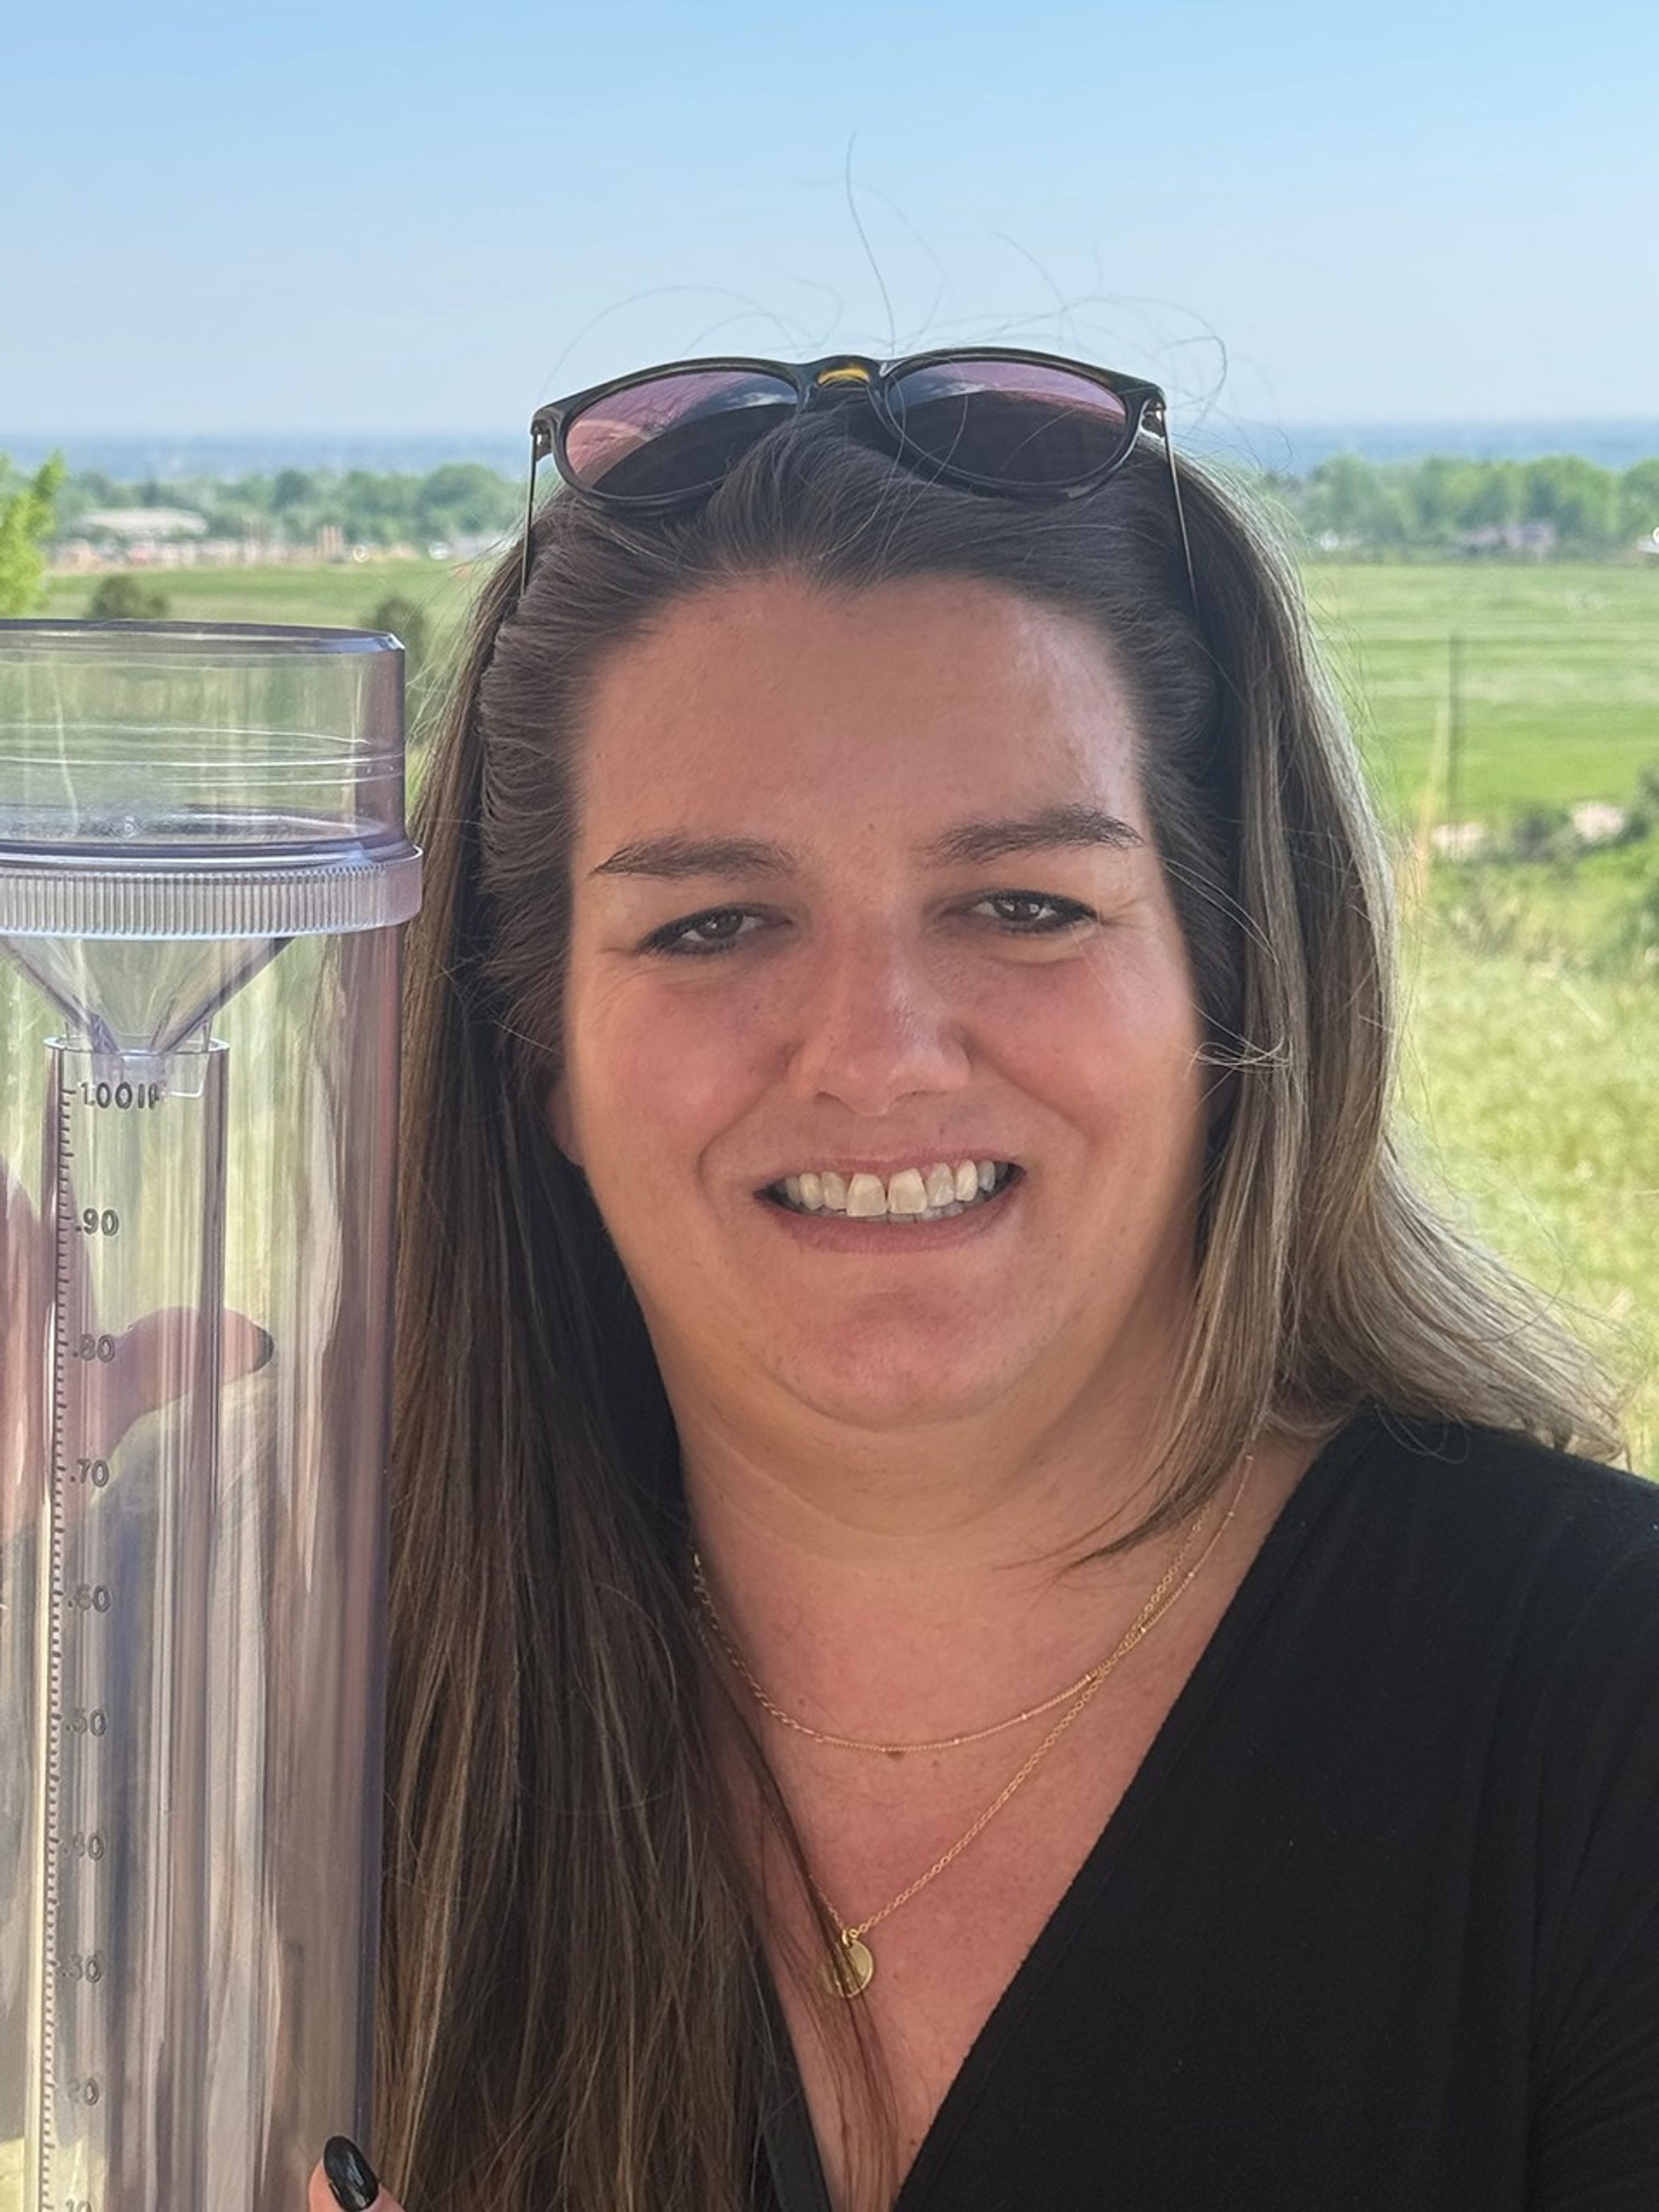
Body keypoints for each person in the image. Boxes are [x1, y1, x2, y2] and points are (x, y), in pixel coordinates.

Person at [303, 351, 1657, 2212]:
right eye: (711, 924)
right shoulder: (308, 1728)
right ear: (536, 1051)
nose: (876, 1053)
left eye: (1023, 903)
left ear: (1233, 985)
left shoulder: (1602, 1714)